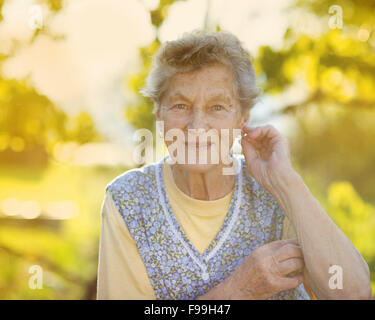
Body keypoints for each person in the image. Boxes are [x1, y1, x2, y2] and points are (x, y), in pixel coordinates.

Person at [97, 30, 371, 300]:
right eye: (180, 105)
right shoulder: (129, 201)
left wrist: (287, 183)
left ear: (242, 118)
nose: (197, 126)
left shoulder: (275, 190)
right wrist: (240, 291)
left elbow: (353, 294)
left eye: (217, 107)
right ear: (159, 113)